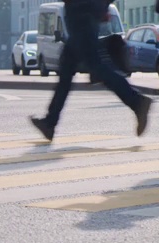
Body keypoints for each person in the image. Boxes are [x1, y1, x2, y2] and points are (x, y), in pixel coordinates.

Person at [30, 0, 151, 141]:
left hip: (83, 15)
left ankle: (138, 102)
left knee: (95, 68)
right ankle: (50, 123)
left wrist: (101, 7)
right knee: (68, 71)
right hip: (82, 14)